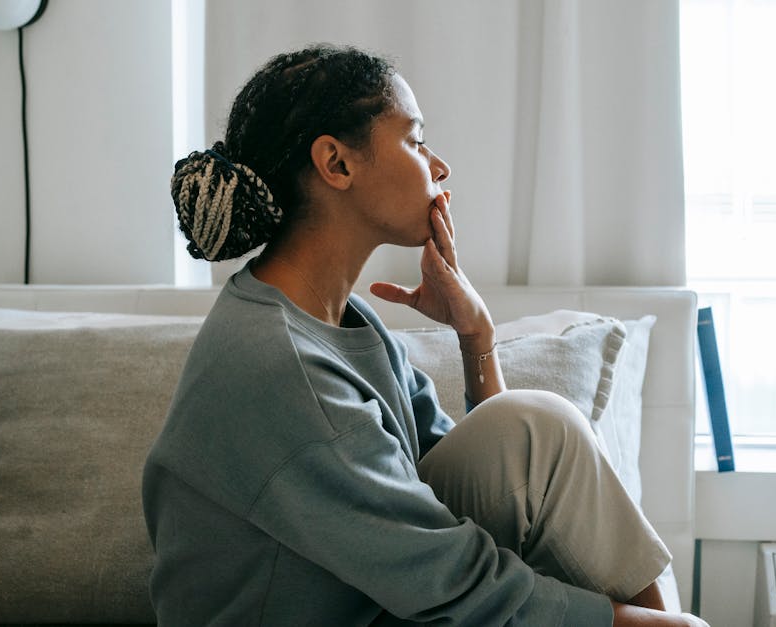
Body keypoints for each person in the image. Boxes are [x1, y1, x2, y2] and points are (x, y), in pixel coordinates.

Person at [142, 44, 709, 627]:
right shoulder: (279, 362)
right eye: (414, 141)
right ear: (336, 164)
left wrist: (476, 337)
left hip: (372, 598)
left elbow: (488, 485)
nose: (438, 167)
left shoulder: (348, 323)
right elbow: (449, 575)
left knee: (541, 427)